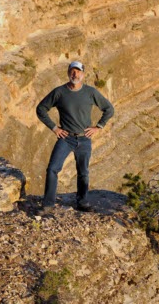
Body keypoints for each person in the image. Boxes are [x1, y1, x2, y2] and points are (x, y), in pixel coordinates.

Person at [36, 61, 114, 215]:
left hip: (84, 139)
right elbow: (41, 109)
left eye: (78, 71)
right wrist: (54, 128)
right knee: (52, 169)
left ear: (83, 74)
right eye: (72, 71)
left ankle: (82, 202)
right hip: (65, 138)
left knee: (83, 172)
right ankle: (48, 205)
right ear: (68, 73)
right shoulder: (59, 92)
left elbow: (109, 109)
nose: (75, 74)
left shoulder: (90, 92)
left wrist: (98, 127)